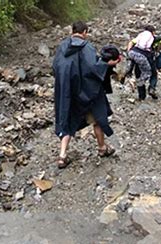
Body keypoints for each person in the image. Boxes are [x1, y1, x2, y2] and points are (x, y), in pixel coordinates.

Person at [53, 21, 120, 169]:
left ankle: (62, 156)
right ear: (84, 32)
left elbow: (56, 66)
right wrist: (107, 64)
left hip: (66, 91)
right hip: (85, 91)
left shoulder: (62, 46)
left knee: (67, 120)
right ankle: (102, 148)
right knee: (97, 118)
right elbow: (93, 69)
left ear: (73, 31)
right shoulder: (87, 47)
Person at [125, 25, 161, 100]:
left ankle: (142, 97)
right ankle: (151, 88)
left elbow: (131, 43)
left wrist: (128, 52)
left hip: (135, 56)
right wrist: (158, 49)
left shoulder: (140, 36)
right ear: (153, 32)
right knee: (153, 74)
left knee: (138, 75)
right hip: (147, 58)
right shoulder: (154, 38)